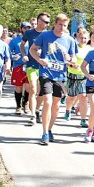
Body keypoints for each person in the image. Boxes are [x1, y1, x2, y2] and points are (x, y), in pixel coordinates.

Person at [29, 13, 76, 144]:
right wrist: (39, 60)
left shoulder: (69, 40)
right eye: (60, 24)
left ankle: (49, 129)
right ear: (55, 24)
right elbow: (32, 49)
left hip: (60, 75)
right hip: (46, 73)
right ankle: (44, 133)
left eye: (64, 25)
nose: (62, 27)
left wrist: (70, 60)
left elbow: (73, 57)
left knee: (55, 105)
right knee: (48, 102)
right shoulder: (45, 35)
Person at [21, 12, 51, 125]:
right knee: (33, 88)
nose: (47, 24)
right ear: (39, 21)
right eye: (46, 22)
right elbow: (22, 44)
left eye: (48, 22)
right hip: (32, 65)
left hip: (44, 66)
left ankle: (37, 109)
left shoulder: (49, 34)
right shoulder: (29, 33)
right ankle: (33, 115)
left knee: (42, 91)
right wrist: (24, 54)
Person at [65, 28, 92, 127]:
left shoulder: (90, 49)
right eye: (81, 38)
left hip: (84, 76)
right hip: (72, 75)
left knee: (83, 98)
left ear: (88, 39)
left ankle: (83, 119)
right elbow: (66, 62)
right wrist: (72, 64)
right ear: (77, 37)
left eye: (85, 38)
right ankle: (68, 110)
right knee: (71, 97)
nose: (83, 40)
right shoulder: (73, 47)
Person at [8, 22, 31, 115]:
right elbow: (9, 52)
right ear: (21, 29)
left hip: (29, 66)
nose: (27, 30)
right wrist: (14, 56)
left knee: (29, 87)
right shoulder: (15, 40)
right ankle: (18, 106)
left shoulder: (32, 40)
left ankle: (26, 103)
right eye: (25, 28)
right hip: (18, 66)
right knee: (18, 87)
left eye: (28, 28)